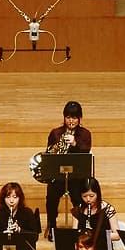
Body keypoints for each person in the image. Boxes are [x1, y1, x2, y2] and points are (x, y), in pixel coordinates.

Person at [44, 101, 92, 239]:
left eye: (75, 117)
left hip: (76, 176)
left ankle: (80, 225)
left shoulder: (85, 134)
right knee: (51, 195)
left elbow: (86, 153)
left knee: (78, 197)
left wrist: (75, 144)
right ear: (64, 117)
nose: (71, 121)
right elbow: (48, 154)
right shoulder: (55, 133)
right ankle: (52, 225)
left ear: (79, 118)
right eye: (68, 117)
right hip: (59, 175)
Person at [70, 177, 120, 250]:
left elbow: (117, 235)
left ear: (98, 194)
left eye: (92, 196)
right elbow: (74, 234)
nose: (88, 199)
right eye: (84, 196)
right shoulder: (78, 210)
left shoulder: (108, 209)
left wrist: (97, 235)